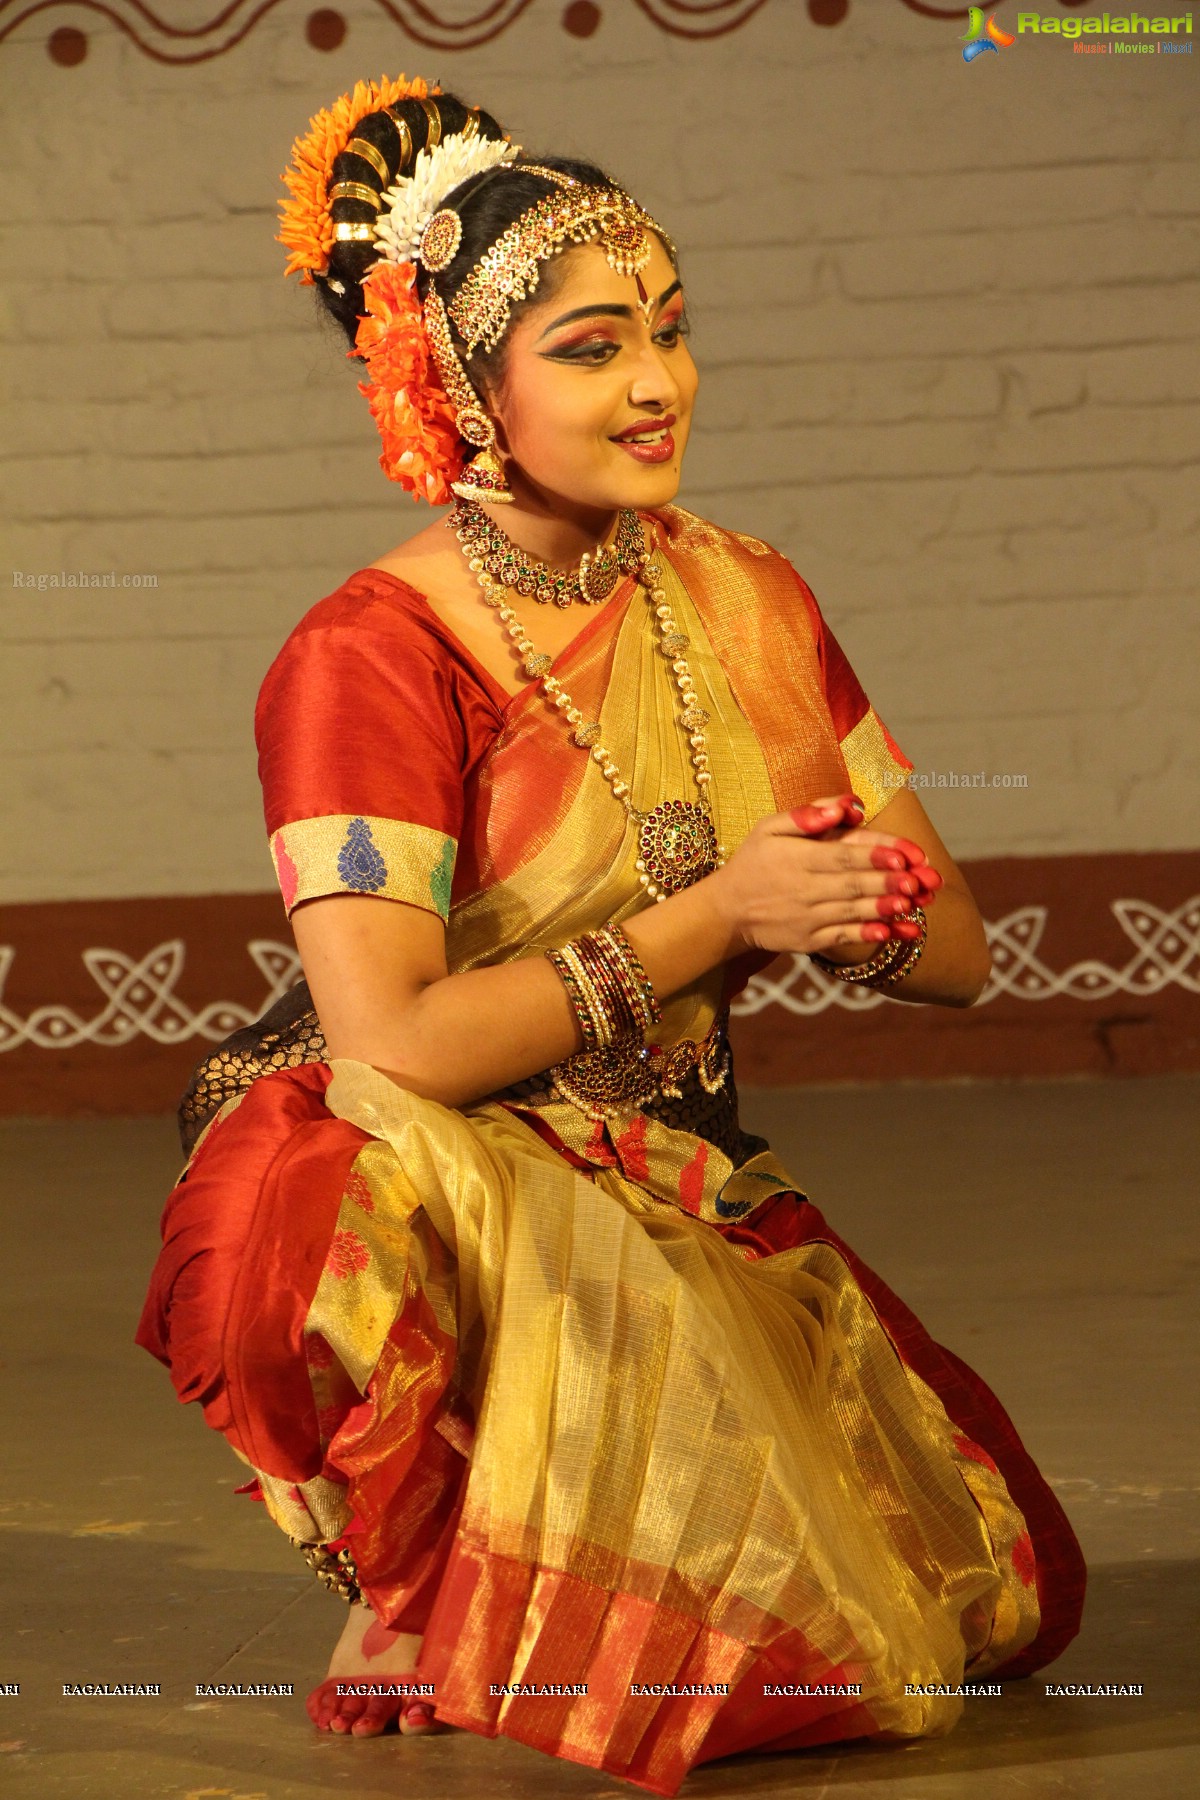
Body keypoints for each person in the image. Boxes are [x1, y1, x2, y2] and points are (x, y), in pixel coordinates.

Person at [137, 74, 1085, 1799]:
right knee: (302, 1215)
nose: (658, 383)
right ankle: (417, 1566)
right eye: (589, 347)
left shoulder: (748, 598)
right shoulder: (369, 653)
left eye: (670, 330)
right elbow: (391, 1049)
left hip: (670, 1170)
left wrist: (835, 904)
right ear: (459, 388)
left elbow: (954, 944)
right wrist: (716, 914)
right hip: (420, 1163)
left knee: (986, 1590)